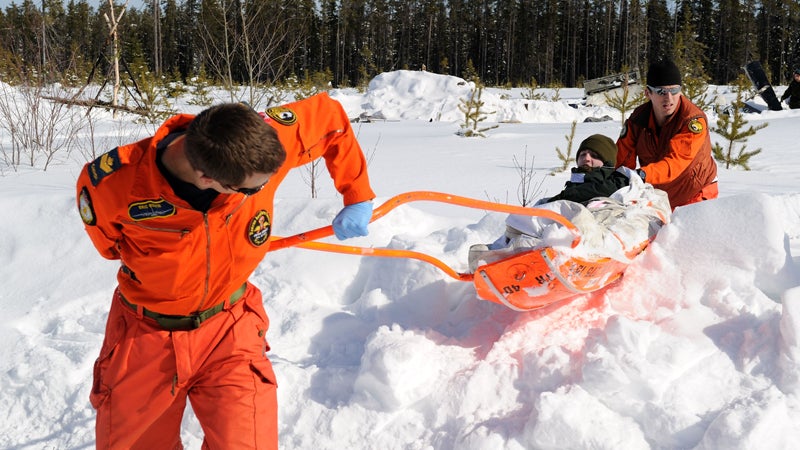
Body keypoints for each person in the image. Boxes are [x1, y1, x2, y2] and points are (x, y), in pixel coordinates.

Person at [76, 93, 375, 449]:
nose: (264, 189)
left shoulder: (256, 141)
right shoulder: (112, 184)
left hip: (230, 327)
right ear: (206, 178)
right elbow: (110, 247)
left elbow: (330, 117)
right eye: (253, 188)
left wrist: (357, 195)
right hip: (144, 336)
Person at [468, 134, 664, 271]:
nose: (586, 158)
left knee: (574, 216)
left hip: (596, 220)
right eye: (582, 154)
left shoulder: (616, 181)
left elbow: (602, 194)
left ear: (607, 163)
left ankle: (523, 251)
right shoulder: (572, 187)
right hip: (566, 220)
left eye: (594, 156)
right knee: (530, 217)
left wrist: (562, 201)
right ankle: (500, 252)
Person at [616, 59, 718, 209]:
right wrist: (616, 179)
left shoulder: (692, 121)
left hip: (695, 194)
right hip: (659, 198)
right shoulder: (638, 121)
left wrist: (642, 175)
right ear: (647, 93)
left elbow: (676, 162)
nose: (669, 98)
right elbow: (622, 159)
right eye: (661, 92)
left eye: (674, 90)